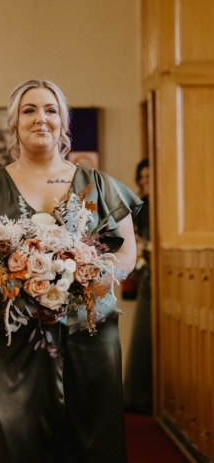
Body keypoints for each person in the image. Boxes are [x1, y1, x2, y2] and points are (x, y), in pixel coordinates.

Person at [0, 79, 142, 462]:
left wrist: (82, 283)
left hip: (83, 329)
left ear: (63, 122)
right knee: (4, 435)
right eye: (30, 110)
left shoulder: (100, 185)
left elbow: (126, 256)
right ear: (14, 124)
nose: (42, 118)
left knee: (90, 434)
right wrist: (18, 282)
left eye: (51, 110)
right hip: (1, 330)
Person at [123, 158, 152, 415]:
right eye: (142, 178)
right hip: (147, 276)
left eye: (149, 177)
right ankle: (136, 395)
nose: (145, 182)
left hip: (157, 272)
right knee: (142, 336)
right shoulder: (141, 208)